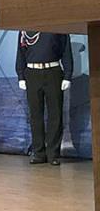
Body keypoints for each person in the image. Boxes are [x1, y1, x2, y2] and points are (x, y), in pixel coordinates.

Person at [16, 31, 72, 165]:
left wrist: (67, 75)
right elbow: (20, 53)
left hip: (53, 72)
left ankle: (53, 154)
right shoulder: (25, 29)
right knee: (35, 115)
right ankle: (38, 153)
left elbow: (66, 51)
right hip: (32, 73)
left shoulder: (58, 28)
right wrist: (20, 76)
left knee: (55, 114)